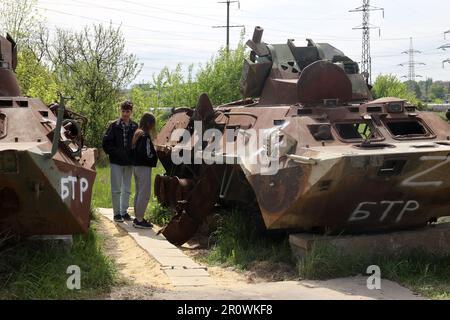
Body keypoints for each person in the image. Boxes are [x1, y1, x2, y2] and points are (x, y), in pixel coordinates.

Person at [102, 100, 138, 223]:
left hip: (129, 163)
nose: (125, 114)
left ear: (131, 112)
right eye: (123, 111)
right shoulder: (113, 126)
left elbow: (138, 144)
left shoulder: (135, 126)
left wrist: (133, 156)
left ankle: (124, 212)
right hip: (116, 162)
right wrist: (116, 153)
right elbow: (106, 143)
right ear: (120, 111)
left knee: (127, 189)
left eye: (127, 111)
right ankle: (117, 214)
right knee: (116, 189)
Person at [131, 113, 158, 229]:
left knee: (139, 192)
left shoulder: (137, 133)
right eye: (152, 124)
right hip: (143, 167)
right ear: (148, 123)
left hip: (136, 166)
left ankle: (137, 217)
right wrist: (154, 156)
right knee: (145, 193)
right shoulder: (145, 136)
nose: (153, 127)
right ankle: (140, 220)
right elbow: (146, 153)